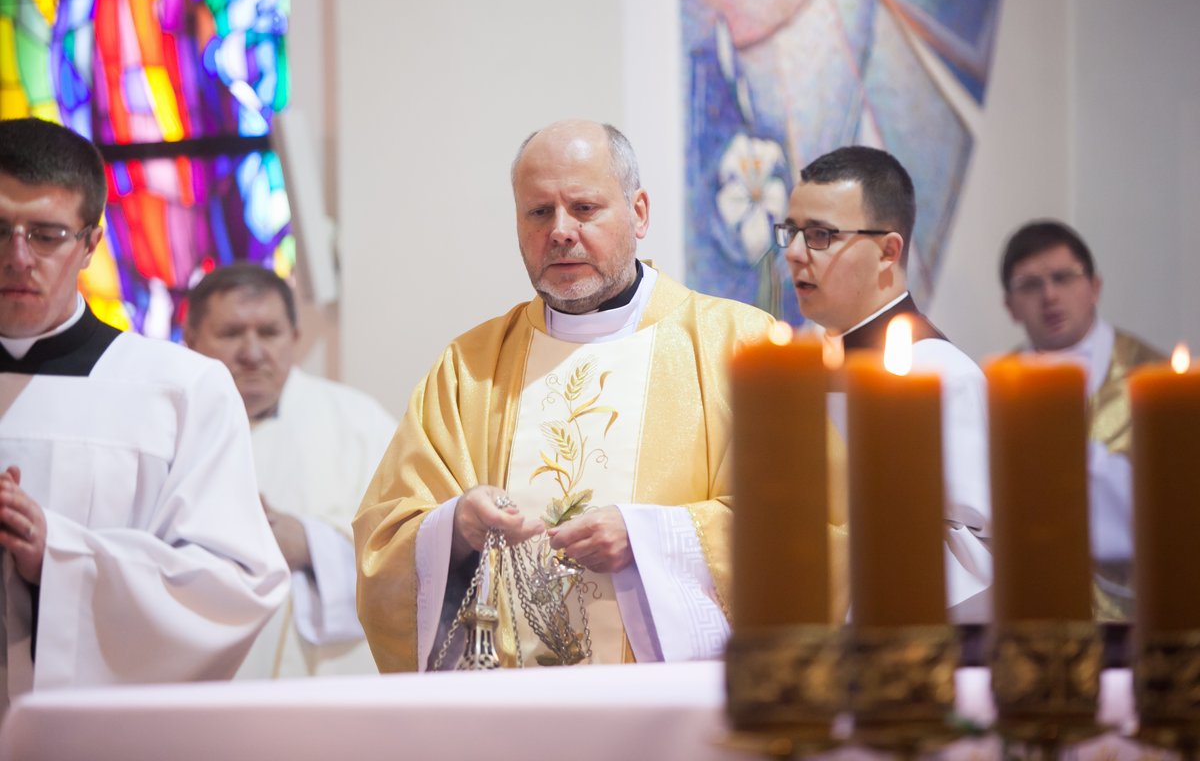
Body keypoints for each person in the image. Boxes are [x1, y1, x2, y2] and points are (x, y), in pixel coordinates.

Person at [354, 119, 774, 671]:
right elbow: (385, 543)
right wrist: (455, 530)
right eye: (538, 212)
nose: (560, 231)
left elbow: (812, 528)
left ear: (639, 213)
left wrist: (648, 540)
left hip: (671, 708)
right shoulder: (468, 370)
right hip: (513, 710)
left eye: (583, 207)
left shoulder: (745, 347)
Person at [0, 117, 289, 712]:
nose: (17, 257)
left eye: (47, 235)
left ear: (91, 243)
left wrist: (59, 556)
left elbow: (234, 590)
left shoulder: (179, 390)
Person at [779, 145, 992, 616]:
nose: (793, 253)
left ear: (887, 251)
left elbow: (985, 559)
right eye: (791, 232)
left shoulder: (942, 376)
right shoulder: (795, 374)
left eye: (819, 235)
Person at [185, 263, 397, 676]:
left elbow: (414, 555)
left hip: (324, 685)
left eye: (269, 333)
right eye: (231, 333)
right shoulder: (164, 429)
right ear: (190, 340)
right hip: (197, 678)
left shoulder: (359, 425)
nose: (252, 352)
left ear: (295, 338)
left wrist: (311, 544)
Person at [1000, 220, 1165, 619]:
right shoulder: (995, 389)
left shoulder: (1157, 381)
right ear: (1010, 307)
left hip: (1138, 618)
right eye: (1030, 285)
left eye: (1063, 277)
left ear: (1094, 286)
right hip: (1028, 616)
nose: (1050, 296)